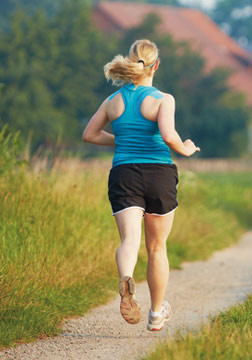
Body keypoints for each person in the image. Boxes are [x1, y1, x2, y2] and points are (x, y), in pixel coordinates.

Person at [82, 39, 200, 331]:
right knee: (157, 247)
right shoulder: (163, 99)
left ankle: (125, 277)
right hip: (159, 175)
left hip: (124, 174)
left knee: (129, 241)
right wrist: (186, 147)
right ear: (155, 65)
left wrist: (120, 140)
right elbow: (169, 135)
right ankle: (156, 314)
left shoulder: (113, 101)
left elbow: (90, 134)